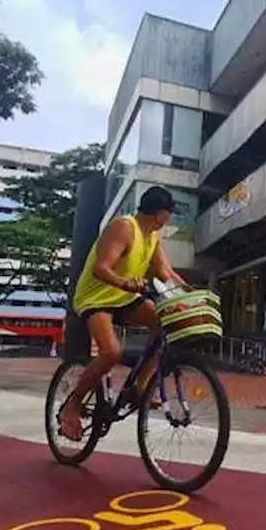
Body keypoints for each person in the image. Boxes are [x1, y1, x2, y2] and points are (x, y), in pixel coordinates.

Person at [57, 186, 187, 441]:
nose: (168, 220)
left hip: (125, 298)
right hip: (96, 299)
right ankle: (71, 406)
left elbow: (165, 273)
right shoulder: (124, 227)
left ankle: (140, 387)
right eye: (169, 215)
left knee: (165, 322)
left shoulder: (151, 236)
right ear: (161, 214)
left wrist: (190, 296)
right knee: (111, 353)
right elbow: (101, 269)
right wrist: (125, 283)